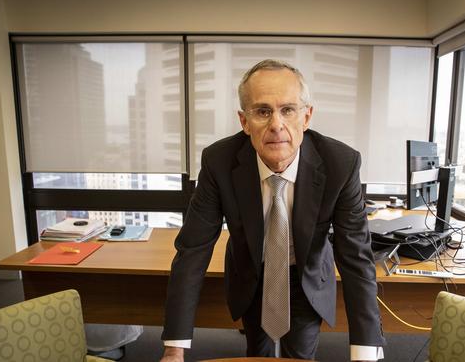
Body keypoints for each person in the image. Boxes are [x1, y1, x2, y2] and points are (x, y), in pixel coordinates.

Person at [160, 59, 385, 361]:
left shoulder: (340, 164)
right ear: (244, 121)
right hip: (253, 271)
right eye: (263, 111)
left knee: (300, 355)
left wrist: (366, 354)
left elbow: (356, 258)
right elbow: (192, 252)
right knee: (258, 352)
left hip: (306, 274)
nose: (276, 124)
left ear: (307, 117)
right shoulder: (219, 162)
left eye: (288, 110)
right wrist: (173, 350)